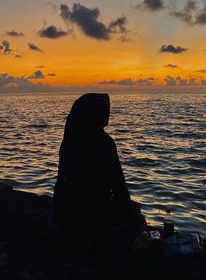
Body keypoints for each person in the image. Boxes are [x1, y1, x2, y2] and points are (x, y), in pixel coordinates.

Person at [53, 93, 147, 244]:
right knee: (134, 212)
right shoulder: (104, 142)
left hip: (64, 214)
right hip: (92, 215)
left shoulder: (70, 139)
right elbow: (119, 186)